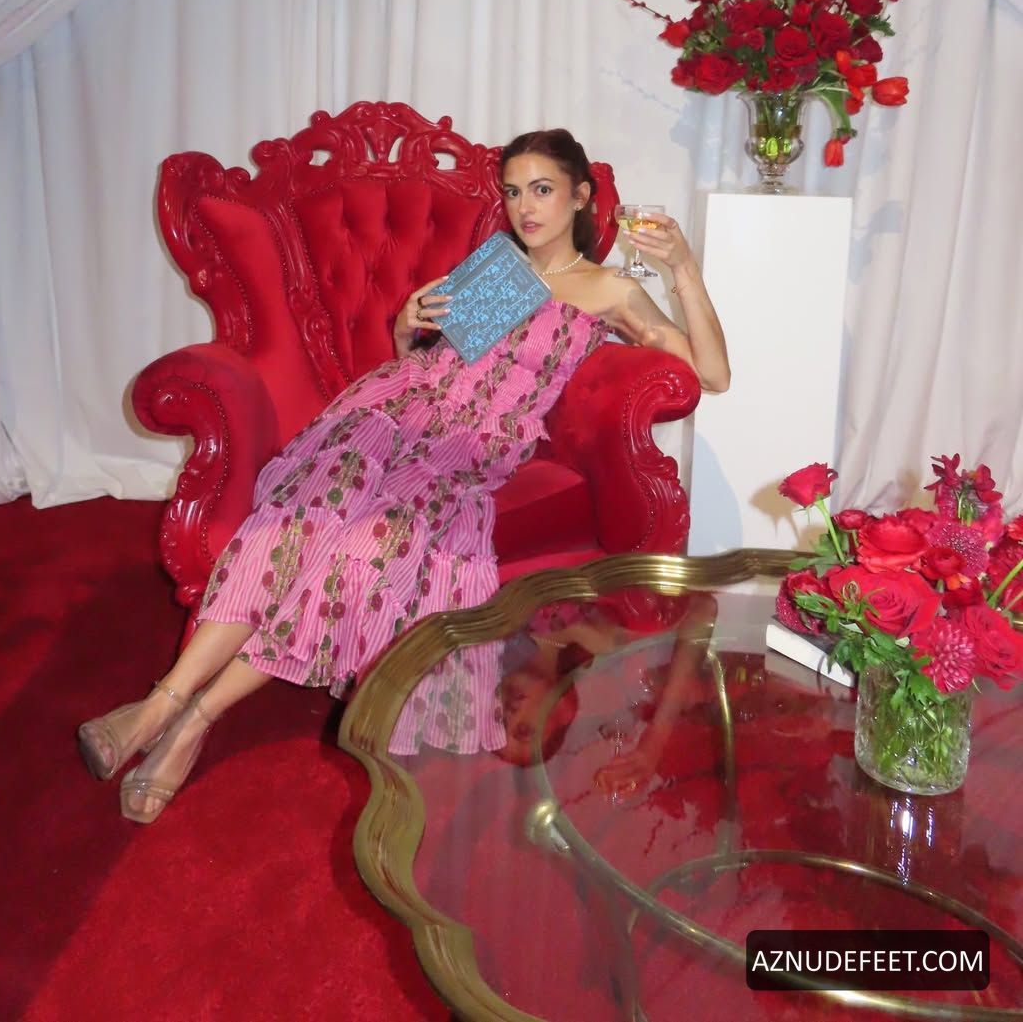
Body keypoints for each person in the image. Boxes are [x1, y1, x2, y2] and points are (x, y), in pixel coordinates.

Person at [77, 128, 729, 822]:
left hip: (470, 446)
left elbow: (713, 374)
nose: (525, 208)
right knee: (300, 523)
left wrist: (684, 267)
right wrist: (405, 325)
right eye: (514, 192)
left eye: (542, 190)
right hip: (391, 413)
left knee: (361, 547)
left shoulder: (608, 289)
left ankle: (186, 716)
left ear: (580, 196)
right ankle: (165, 705)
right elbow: (424, 360)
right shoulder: (499, 270)